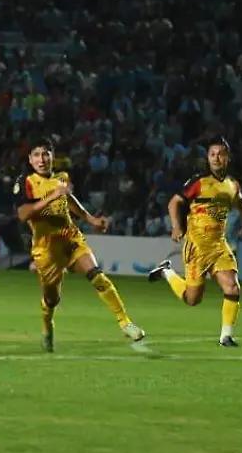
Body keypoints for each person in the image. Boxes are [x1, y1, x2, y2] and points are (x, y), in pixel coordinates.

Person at [14, 139, 145, 353]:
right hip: (46, 249)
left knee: (97, 276)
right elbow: (23, 214)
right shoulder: (25, 182)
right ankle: (47, 325)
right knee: (52, 299)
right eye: (36, 155)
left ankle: (125, 323)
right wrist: (52, 196)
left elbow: (69, 199)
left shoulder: (62, 178)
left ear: (52, 156)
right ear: (30, 159)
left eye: (46, 154)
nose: (42, 159)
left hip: (71, 239)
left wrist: (91, 219)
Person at [149, 136, 242, 347]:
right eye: (212, 154)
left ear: (227, 158)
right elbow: (174, 202)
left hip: (219, 247)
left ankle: (226, 336)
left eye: (220, 154)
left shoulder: (232, 185)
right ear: (207, 158)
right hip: (196, 247)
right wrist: (176, 226)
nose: (216, 158)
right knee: (192, 299)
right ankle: (166, 271)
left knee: (232, 288)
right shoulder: (199, 182)